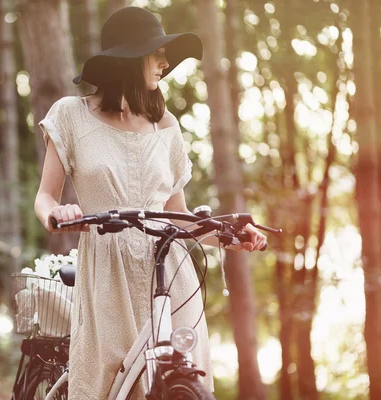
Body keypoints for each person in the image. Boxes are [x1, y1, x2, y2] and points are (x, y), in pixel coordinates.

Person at [34, 6, 267, 398]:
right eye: (155, 53)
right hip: (107, 270)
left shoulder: (167, 126)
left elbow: (177, 216)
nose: (164, 63)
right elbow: (44, 196)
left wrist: (230, 237)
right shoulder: (71, 115)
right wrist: (56, 213)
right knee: (105, 385)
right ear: (127, 59)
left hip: (169, 269)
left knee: (180, 375)